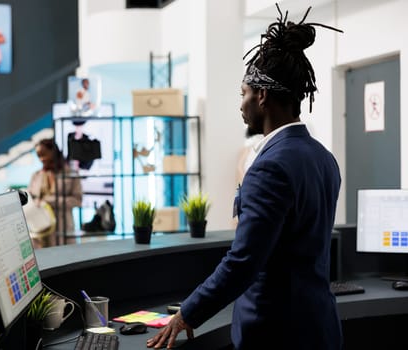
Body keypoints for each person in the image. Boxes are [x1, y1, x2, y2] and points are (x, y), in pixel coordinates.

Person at [146, 5, 343, 349]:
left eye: (243, 94)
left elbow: (243, 262)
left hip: (277, 333)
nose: (241, 105)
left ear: (262, 96)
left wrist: (186, 314)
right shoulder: (324, 158)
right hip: (318, 325)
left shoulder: (270, 168)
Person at [27, 138, 83, 247]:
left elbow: (77, 201)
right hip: (40, 230)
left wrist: (47, 201)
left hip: (63, 229)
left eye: (44, 154)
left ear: (53, 152)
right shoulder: (36, 176)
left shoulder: (71, 174)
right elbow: (31, 199)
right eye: (39, 156)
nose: (42, 159)